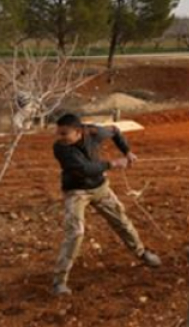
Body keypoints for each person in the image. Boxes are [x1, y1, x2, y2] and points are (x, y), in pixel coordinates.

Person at [51, 113, 161, 295]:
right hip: (76, 191)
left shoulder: (94, 132)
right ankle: (59, 281)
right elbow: (85, 169)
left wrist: (127, 151)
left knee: (121, 221)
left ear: (78, 132)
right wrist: (114, 163)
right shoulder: (60, 149)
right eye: (59, 133)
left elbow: (115, 130)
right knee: (76, 232)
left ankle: (141, 253)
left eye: (64, 133)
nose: (59, 138)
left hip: (100, 187)